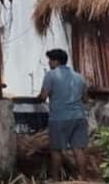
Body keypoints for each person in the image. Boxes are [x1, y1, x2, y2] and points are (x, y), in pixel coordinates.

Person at [36, 49, 88, 181]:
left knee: (56, 150)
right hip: (79, 117)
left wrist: (36, 99)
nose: (49, 63)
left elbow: (43, 96)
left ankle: (56, 179)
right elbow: (85, 99)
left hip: (59, 118)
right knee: (79, 149)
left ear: (56, 61)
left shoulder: (51, 75)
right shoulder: (79, 76)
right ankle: (82, 179)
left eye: (50, 60)